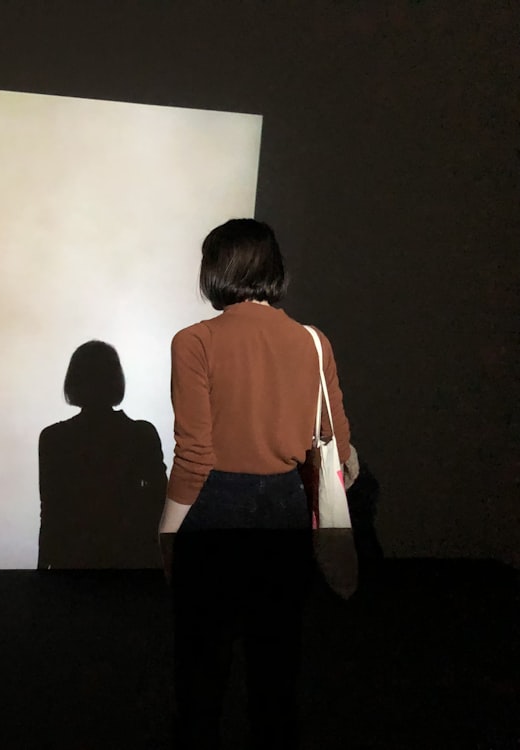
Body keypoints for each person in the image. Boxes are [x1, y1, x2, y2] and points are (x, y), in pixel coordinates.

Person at [158, 219, 352, 749]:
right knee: (276, 667)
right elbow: (340, 447)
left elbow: (194, 455)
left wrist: (169, 534)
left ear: (214, 271)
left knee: (201, 669)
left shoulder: (194, 341)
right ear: (275, 268)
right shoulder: (313, 342)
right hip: (284, 509)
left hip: (213, 508)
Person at [38, 341, 167, 569]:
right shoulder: (142, 434)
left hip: (74, 561)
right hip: (133, 561)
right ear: (116, 381)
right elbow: (158, 503)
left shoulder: (53, 438)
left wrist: (43, 573)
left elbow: (51, 512)